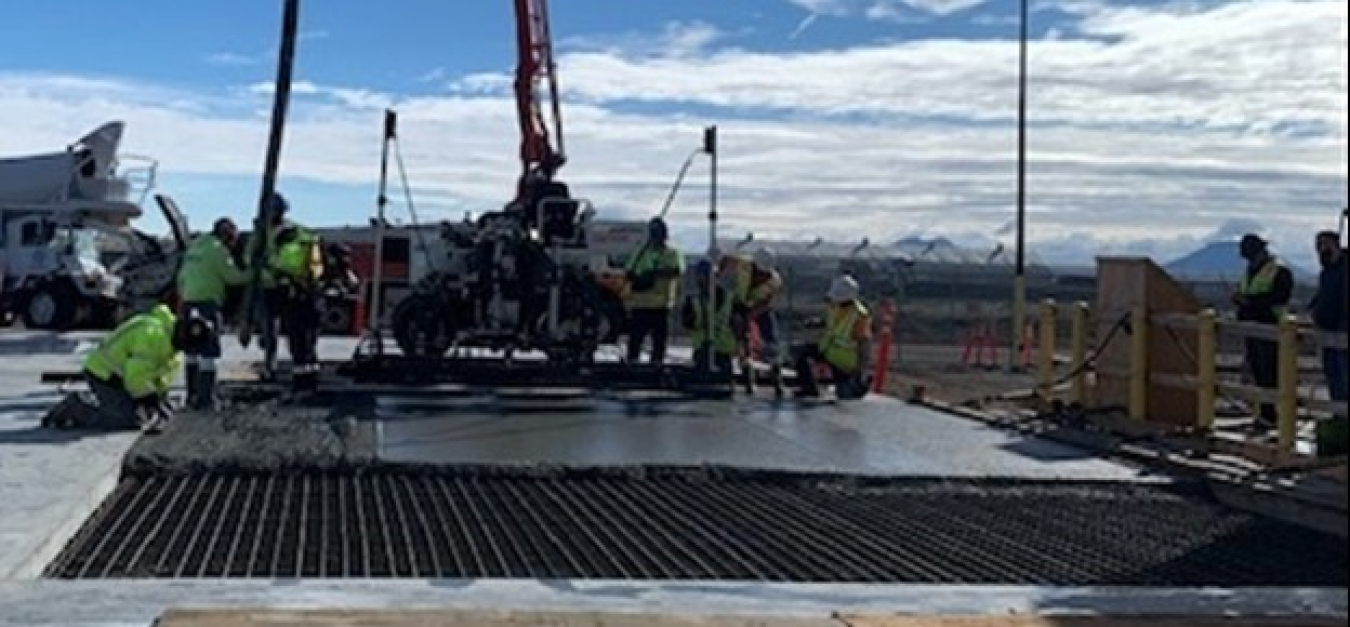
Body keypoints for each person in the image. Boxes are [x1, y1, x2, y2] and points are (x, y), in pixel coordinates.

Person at [42, 301, 183, 431]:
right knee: (124, 420)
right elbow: (135, 377)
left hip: (121, 378)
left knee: (139, 417)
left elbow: (161, 377)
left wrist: (161, 399)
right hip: (103, 373)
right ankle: (76, 408)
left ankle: (95, 405)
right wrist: (149, 399)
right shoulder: (152, 335)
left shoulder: (173, 351)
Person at [176, 217, 247, 409]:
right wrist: (252, 275)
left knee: (191, 351)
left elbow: (181, 276)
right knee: (208, 352)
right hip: (208, 303)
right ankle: (206, 398)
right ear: (226, 235)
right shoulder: (218, 250)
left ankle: (191, 395)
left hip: (189, 301)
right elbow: (232, 277)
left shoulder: (195, 246)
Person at [1230, 233, 1294, 430]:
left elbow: (1279, 297)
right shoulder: (1250, 272)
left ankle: (1275, 416)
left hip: (1272, 328)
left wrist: (1249, 302)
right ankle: (1266, 414)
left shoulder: (1279, 272)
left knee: (1271, 373)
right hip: (1253, 328)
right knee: (1259, 373)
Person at [265, 192, 326, 391]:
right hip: (311, 293)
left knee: (299, 341)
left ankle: (302, 382)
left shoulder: (282, 237)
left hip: (296, 294)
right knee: (308, 341)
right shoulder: (305, 236)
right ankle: (310, 379)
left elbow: (276, 264)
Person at [717, 246, 786, 395]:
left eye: (764, 273)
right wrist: (719, 272)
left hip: (759, 308)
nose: (761, 275)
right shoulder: (744, 263)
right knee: (741, 339)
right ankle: (748, 375)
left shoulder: (774, 281)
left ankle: (776, 375)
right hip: (740, 304)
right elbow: (726, 259)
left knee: (771, 338)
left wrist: (749, 318)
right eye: (759, 271)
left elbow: (765, 304)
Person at [792, 275, 872, 400]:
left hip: (844, 363)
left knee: (845, 396)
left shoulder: (859, 315)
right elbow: (830, 323)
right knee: (800, 352)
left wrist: (861, 371)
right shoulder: (834, 305)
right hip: (828, 350)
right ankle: (809, 389)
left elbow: (864, 344)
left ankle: (857, 385)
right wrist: (815, 322)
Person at [624, 217, 685, 365]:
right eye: (654, 233)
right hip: (640, 304)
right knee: (635, 339)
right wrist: (640, 278)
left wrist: (654, 273)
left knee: (659, 341)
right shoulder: (640, 253)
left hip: (661, 305)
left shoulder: (672, 253)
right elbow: (629, 273)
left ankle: (656, 365)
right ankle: (632, 364)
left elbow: (677, 270)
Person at [1310, 230, 1347, 456]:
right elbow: (1324, 296)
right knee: (1333, 377)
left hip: (1342, 333)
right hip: (1328, 332)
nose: (1322, 250)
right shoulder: (1327, 271)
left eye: (1325, 245)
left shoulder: (1344, 269)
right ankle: (1339, 417)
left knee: (1344, 377)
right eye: (1318, 246)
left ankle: (1343, 418)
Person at [680, 259, 737, 376]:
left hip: (723, 350)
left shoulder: (730, 298)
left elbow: (738, 323)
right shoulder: (693, 300)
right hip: (703, 350)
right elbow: (687, 323)